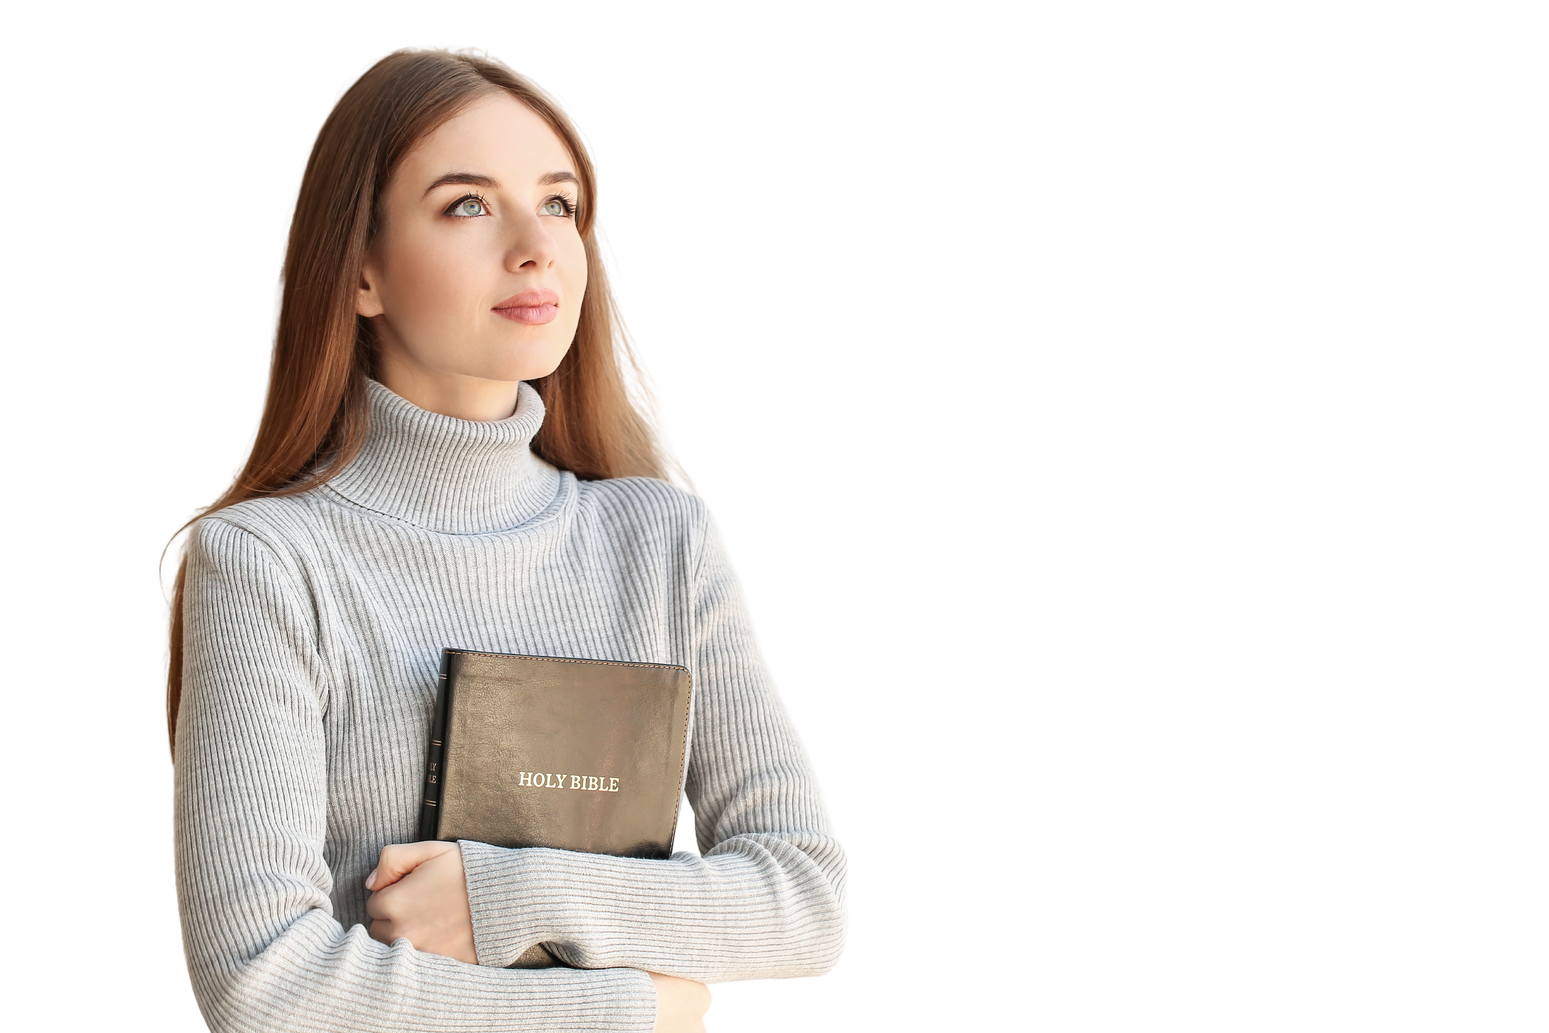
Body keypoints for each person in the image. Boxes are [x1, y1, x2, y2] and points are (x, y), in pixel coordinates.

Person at [158, 48, 846, 1033]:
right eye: (468, 206)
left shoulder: (663, 541)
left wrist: (502, 895)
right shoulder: (268, 561)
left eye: (559, 204)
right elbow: (264, 985)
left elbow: (802, 902)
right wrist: (633, 1007)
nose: (537, 247)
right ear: (359, 271)